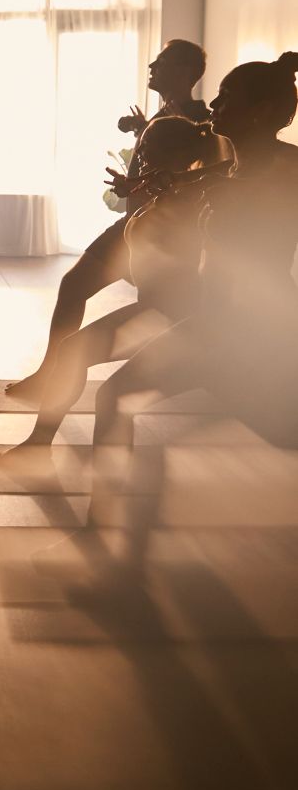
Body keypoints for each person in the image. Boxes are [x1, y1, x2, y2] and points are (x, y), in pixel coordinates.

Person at [86, 53, 298, 522]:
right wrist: (174, 178)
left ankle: (101, 535)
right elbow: (224, 174)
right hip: (210, 324)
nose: (215, 106)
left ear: (261, 112)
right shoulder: (235, 168)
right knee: (113, 398)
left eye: (227, 98)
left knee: (280, 433)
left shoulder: (286, 169)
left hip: (256, 331)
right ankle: (99, 533)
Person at [0, 115, 224, 477]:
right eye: (143, 149)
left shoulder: (196, 199)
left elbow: (227, 172)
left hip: (173, 317)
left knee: (89, 372)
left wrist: (180, 179)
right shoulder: (162, 194)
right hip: (154, 309)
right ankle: (40, 446)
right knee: (74, 354)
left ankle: (54, 455)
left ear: (179, 154)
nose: (142, 158)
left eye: (150, 150)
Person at [6, 40, 213, 401]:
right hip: (132, 223)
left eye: (161, 62)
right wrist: (144, 130)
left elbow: (196, 172)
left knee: (152, 310)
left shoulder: (201, 119)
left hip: (161, 231)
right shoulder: (164, 114)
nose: (151, 66)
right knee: (73, 286)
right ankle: (48, 372)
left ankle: (116, 382)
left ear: (183, 72)